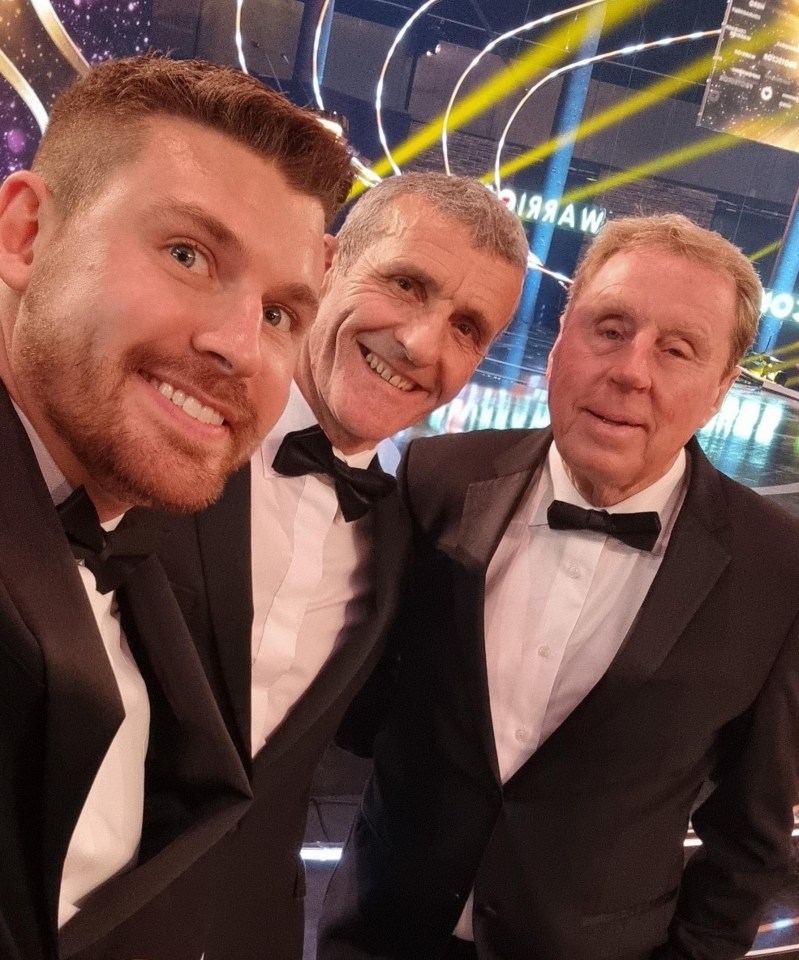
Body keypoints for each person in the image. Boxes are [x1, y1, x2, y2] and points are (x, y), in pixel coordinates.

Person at [319, 213, 799, 960]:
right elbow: (358, 702)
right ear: (559, 342)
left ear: (719, 388)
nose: (630, 370)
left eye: (676, 350)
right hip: (379, 929)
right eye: (608, 329)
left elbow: (753, 836)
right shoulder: (435, 477)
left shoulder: (777, 568)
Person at [77, 171, 529, 960]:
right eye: (404, 283)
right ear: (326, 266)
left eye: (466, 327)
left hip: (248, 928)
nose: (421, 343)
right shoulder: (155, 430)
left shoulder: (402, 540)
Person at [0, 54, 353, 960]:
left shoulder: (139, 546)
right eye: (189, 254)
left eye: (281, 313)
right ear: (26, 233)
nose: (240, 346)